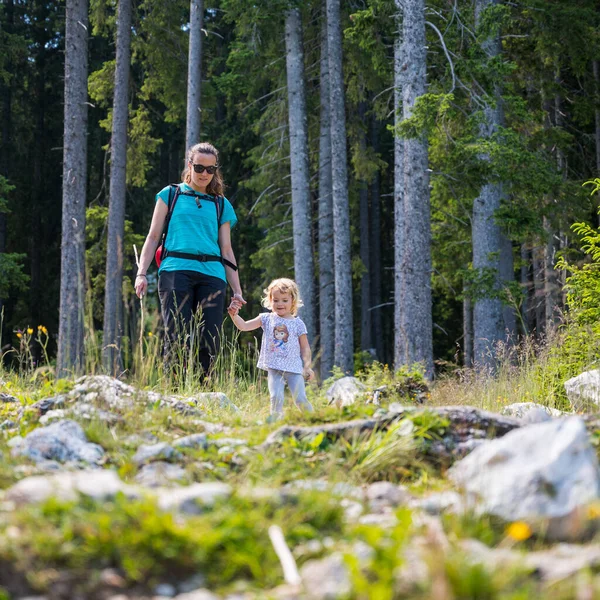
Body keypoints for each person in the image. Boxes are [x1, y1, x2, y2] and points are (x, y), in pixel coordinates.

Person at [135, 142, 245, 376]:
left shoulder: (221, 204)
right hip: (176, 270)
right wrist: (141, 273)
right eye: (199, 168)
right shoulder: (170, 194)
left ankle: (207, 393)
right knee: (176, 335)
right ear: (189, 165)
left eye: (210, 169)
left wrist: (237, 291)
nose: (204, 173)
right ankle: (175, 394)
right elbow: (153, 236)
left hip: (212, 275)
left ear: (215, 170)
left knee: (210, 338)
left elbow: (226, 250)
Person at [228, 278, 314, 419]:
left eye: (284, 300)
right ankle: (275, 423)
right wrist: (234, 315)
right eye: (276, 300)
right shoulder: (266, 318)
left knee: (300, 399)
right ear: (270, 300)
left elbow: (305, 347)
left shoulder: (298, 324)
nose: (280, 303)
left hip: (294, 368)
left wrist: (307, 367)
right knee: (276, 397)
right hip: (274, 367)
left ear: (293, 300)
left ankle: (314, 421)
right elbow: (243, 326)